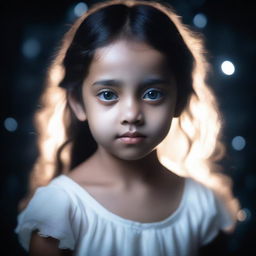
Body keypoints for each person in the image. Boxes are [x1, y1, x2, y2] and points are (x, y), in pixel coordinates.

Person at [14, 0, 240, 255]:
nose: (132, 114)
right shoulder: (59, 209)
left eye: (153, 93)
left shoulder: (202, 205)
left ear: (181, 100)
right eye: (108, 95)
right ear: (78, 103)